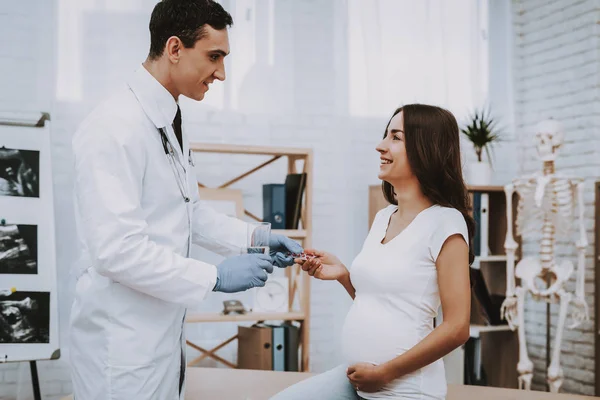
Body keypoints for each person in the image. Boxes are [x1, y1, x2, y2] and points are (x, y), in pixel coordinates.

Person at [69, 1, 302, 399]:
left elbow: (187, 211)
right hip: (121, 350)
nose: (222, 73)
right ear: (175, 49)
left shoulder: (168, 119)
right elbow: (116, 251)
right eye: (214, 57)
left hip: (160, 339)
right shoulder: (113, 127)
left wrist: (258, 237)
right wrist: (214, 277)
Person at [271, 104, 474, 400]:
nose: (381, 146)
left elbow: (457, 328)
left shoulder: (446, 222)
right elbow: (384, 304)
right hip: (359, 381)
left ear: (425, 148)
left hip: (404, 390)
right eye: (385, 135)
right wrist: (343, 275)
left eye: (396, 137)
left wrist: (386, 373)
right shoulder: (383, 217)